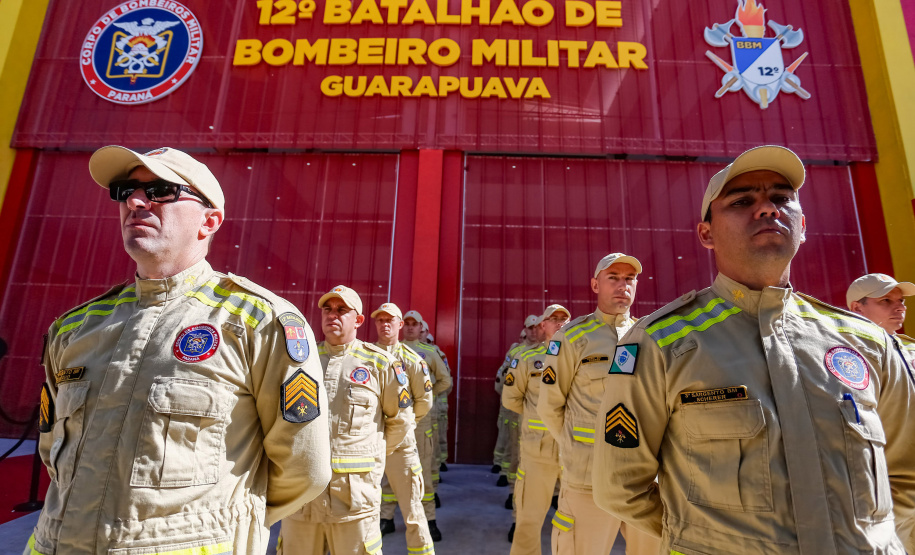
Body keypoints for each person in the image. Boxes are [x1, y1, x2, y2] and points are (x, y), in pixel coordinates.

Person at [593, 145, 915, 554]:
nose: (767, 210)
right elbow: (621, 487)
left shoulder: (866, 342)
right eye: (743, 201)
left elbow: (906, 473)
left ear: (803, 225)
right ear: (706, 234)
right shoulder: (662, 341)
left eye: (781, 199)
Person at [28, 146, 331, 554]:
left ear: (209, 221)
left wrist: (208, 522)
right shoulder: (75, 326)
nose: (135, 201)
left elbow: (304, 467)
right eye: (126, 190)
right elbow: (54, 455)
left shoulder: (257, 320)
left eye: (160, 190)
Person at [538, 253, 659, 555]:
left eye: (629, 279)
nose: (622, 286)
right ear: (595, 285)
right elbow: (550, 407)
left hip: (642, 478)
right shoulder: (573, 337)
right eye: (613, 278)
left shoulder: (649, 336)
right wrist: (578, 448)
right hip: (587, 480)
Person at [280, 286, 411, 555]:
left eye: (342, 310)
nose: (333, 315)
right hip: (301, 497)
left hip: (354, 500)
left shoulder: (381, 364)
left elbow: (400, 422)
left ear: (358, 320)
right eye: (327, 309)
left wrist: (369, 456)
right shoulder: (301, 360)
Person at [503, 304, 570, 555]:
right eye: (554, 319)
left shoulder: (581, 357)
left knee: (573, 520)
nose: (560, 323)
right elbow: (511, 399)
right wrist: (538, 418)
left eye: (565, 318)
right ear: (543, 325)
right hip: (537, 450)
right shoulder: (526, 358)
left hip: (573, 450)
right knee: (528, 520)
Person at [371, 302, 436, 554]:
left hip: (402, 443)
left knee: (412, 508)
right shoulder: (363, 356)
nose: (385, 324)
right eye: (380, 320)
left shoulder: (413, 360)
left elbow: (424, 402)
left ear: (399, 325)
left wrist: (405, 425)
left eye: (390, 320)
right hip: (369, 439)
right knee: (366, 499)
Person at [402, 310, 452, 540]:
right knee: (389, 472)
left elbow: (445, 380)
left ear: (421, 328)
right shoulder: (392, 351)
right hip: (396, 418)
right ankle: (386, 517)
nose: (411, 328)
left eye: (415, 324)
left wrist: (426, 397)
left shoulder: (431, 353)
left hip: (423, 419)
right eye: (407, 323)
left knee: (423, 469)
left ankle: (428, 520)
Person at [492, 316, 539, 484]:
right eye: (530, 328)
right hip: (517, 409)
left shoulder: (549, 351)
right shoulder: (515, 353)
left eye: (537, 327)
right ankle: (508, 478)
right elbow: (502, 380)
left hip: (539, 410)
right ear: (525, 330)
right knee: (513, 444)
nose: (534, 331)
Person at [847, 273, 915, 373]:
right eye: (886, 300)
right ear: (857, 308)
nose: (901, 308)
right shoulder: (849, 350)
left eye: (901, 300)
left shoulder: (911, 348)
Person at [420, 321, 452, 473]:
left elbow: (446, 380)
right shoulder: (405, 350)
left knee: (436, 437)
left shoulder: (436, 354)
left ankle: (439, 465)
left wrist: (434, 394)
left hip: (436, 402)